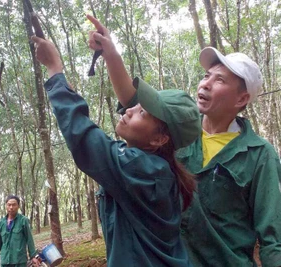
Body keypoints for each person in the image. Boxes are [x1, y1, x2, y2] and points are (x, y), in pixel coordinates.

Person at [86, 15, 281, 267]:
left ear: (242, 99)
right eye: (207, 75)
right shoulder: (179, 133)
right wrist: (110, 52)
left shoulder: (259, 155)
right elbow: (132, 100)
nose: (206, 84)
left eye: (219, 80)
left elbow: (273, 237)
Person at [31, 30, 201, 265]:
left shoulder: (143, 169)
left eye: (142, 112)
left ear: (159, 139)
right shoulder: (154, 168)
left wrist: (54, 70)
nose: (128, 110)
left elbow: (85, 138)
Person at [0, 195, 40, 267]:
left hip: (19, 260)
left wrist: (33, 256)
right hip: (5, 261)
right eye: (9, 205)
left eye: (14, 205)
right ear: (6, 206)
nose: (11, 207)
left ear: (18, 206)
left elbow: (29, 239)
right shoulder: (1, 223)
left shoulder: (23, 221)